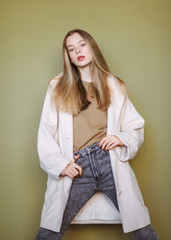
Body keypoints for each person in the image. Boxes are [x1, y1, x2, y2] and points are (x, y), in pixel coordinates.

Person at [35, 29, 158, 240]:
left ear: (92, 47)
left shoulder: (114, 85)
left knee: (142, 225)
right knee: (50, 229)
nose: (77, 51)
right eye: (71, 49)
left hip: (109, 160)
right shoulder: (57, 87)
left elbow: (135, 125)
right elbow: (46, 132)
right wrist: (61, 164)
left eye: (82, 45)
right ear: (69, 57)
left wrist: (121, 138)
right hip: (77, 165)